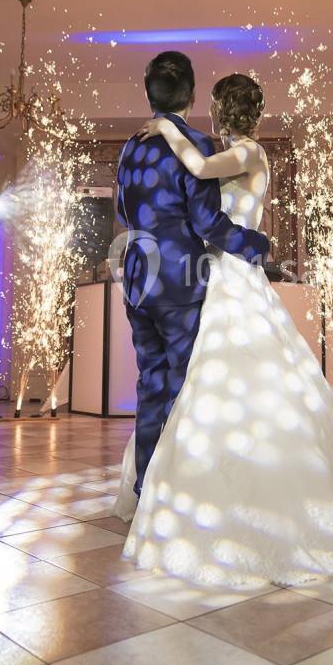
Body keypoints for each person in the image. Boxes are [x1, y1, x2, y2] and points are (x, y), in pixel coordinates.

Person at [113, 70, 333, 587]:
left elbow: (199, 170)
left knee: (229, 382)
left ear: (221, 111)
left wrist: (166, 128)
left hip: (233, 277)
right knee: (207, 385)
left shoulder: (249, 153)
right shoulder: (234, 153)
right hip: (215, 277)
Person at [113, 52, 270, 499]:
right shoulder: (197, 143)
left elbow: (123, 210)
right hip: (180, 281)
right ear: (194, 94)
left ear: (148, 93)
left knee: (150, 384)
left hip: (138, 279)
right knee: (184, 388)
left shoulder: (129, 147)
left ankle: (146, 488)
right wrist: (257, 246)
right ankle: (177, 495)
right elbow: (206, 223)